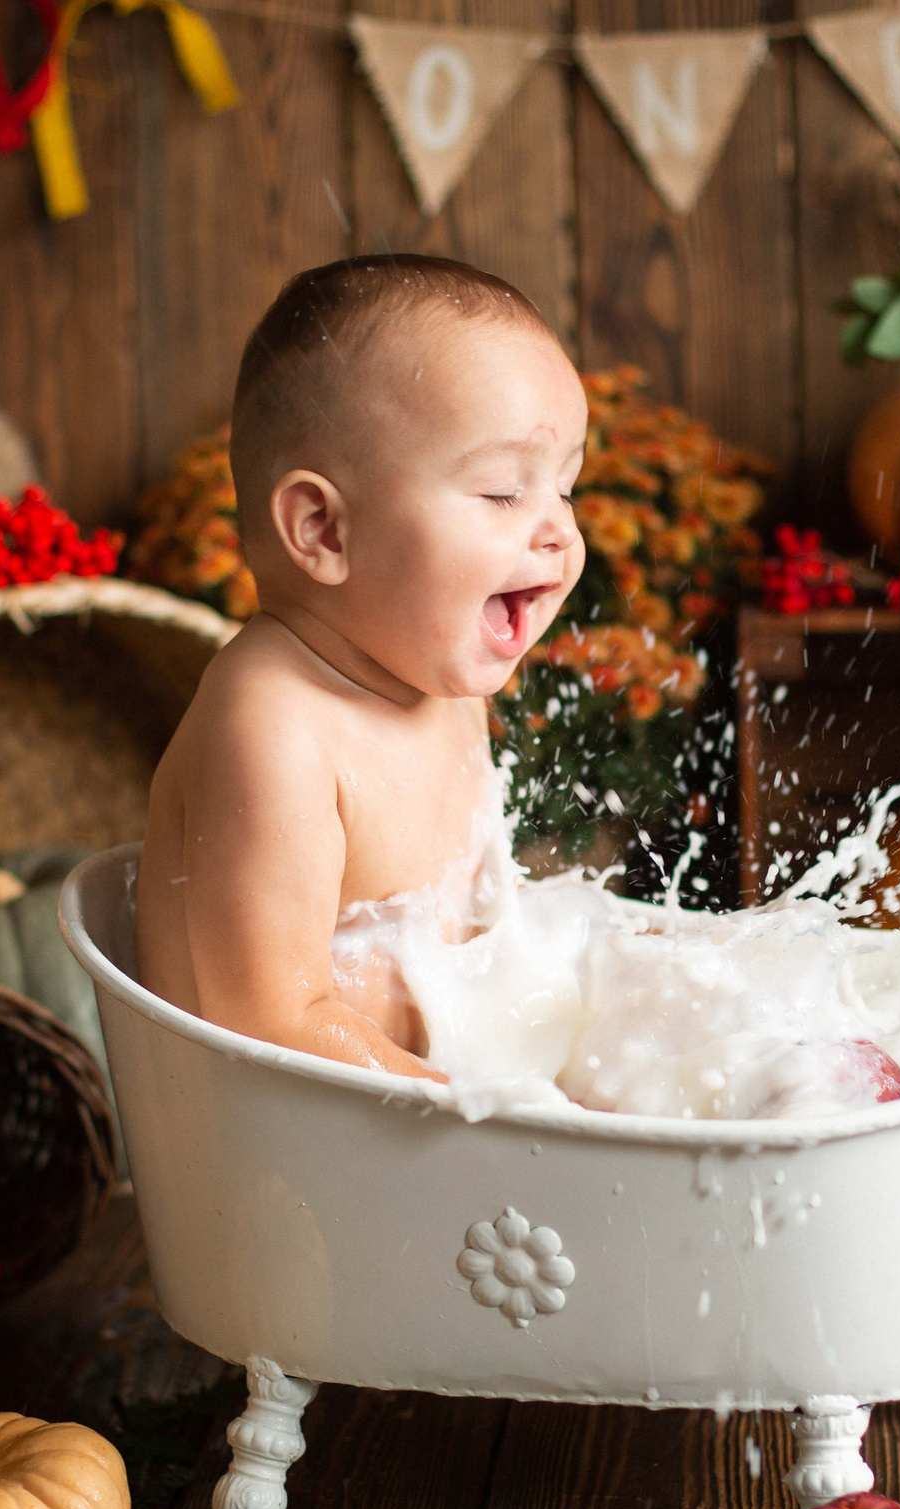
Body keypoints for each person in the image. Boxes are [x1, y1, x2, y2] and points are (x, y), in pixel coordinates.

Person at [134, 255, 587, 1080]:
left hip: (405, 1145)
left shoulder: (433, 680)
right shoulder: (274, 728)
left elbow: (490, 942)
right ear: (324, 532)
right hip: (282, 1172)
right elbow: (275, 1027)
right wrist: (493, 1119)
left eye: (566, 488)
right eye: (501, 493)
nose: (557, 529)